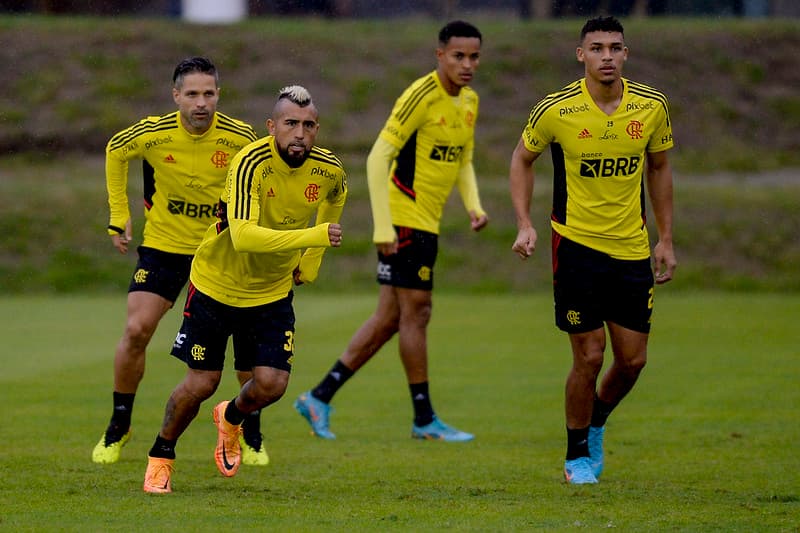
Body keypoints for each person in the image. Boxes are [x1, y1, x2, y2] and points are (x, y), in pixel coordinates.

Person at [143, 85, 347, 493]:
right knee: (202, 383)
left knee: (272, 384)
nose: (300, 133)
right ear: (272, 127)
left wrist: (309, 262)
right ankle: (161, 455)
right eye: (290, 124)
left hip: (270, 292)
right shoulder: (250, 162)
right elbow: (244, 236)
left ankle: (231, 418)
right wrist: (315, 236)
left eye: (308, 125)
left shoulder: (329, 169)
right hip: (216, 284)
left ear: (317, 129)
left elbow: (337, 195)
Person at [294, 20, 489, 442]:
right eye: (458, 55)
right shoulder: (421, 95)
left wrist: (474, 207)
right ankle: (423, 419)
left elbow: (464, 159)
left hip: (426, 222)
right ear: (440, 55)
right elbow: (378, 158)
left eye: (474, 56)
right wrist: (383, 226)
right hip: (404, 220)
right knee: (417, 312)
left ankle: (318, 397)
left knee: (388, 319)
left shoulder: (469, 101)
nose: (467, 64)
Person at [509, 16, 677, 484]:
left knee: (633, 361)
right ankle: (577, 454)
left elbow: (659, 169)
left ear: (626, 54)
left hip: (630, 248)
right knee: (589, 355)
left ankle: (598, 418)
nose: (607, 56)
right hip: (576, 245)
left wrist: (665, 238)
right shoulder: (556, 110)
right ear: (580, 54)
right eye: (597, 47)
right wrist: (525, 222)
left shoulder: (652, 106)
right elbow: (522, 160)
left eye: (615, 47)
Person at [92, 57, 271, 467]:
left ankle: (250, 433)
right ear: (176, 96)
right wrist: (119, 213)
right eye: (192, 94)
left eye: (209, 93)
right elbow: (115, 150)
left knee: (245, 346)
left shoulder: (240, 137)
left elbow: (266, 177)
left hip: (222, 252)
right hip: (164, 247)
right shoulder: (153, 133)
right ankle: (119, 424)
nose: (201, 102)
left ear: (218, 96)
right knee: (136, 329)